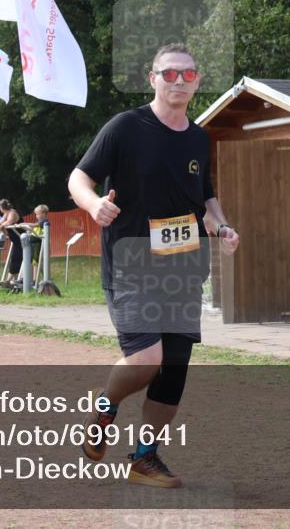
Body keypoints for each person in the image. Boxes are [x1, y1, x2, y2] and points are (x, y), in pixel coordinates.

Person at [68, 43, 239, 488]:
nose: (178, 81)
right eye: (169, 74)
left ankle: (144, 458)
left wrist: (221, 229)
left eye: (187, 74)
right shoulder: (126, 127)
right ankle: (104, 406)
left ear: (198, 80)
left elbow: (205, 199)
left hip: (184, 268)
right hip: (131, 264)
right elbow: (78, 177)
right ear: (152, 78)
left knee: (174, 368)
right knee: (146, 359)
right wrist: (92, 206)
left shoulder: (199, 137)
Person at [0, 199, 23, 286]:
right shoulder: (6, 213)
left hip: (21, 239)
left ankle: (10, 280)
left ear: (1, 207)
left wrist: (1, 226)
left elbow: (9, 222)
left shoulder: (12, 212)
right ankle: (10, 280)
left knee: (16, 258)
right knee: (15, 258)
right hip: (16, 241)